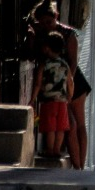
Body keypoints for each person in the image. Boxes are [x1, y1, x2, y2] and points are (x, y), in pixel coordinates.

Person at [26, 0, 90, 169]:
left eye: (49, 21)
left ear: (56, 16)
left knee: (78, 123)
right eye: (42, 23)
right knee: (70, 125)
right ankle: (77, 166)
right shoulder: (39, 33)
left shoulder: (68, 35)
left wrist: (67, 89)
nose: (47, 25)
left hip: (72, 82)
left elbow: (73, 64)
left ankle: (80, 166)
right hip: (53, 88)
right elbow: (32, 56)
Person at [30, 31, 74, 162]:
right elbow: (70, 82)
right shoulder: (65, 64)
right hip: (62, 101)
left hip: (48, 102)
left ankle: (49, 150)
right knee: (60, 127)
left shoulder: (44, 64)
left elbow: (38, 83)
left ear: (47, 48)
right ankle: (57, 150)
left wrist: (32, 99)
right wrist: (69, 96)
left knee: (50, 128)